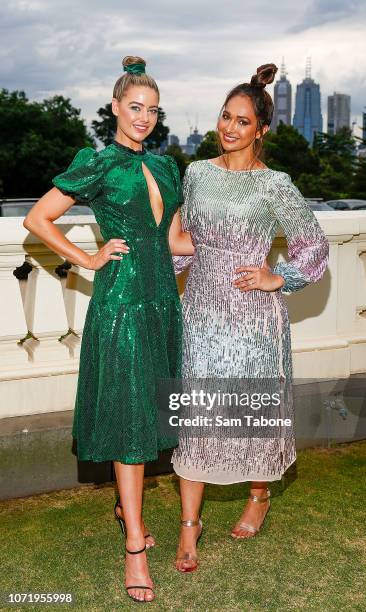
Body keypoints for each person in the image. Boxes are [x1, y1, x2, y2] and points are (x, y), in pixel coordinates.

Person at [23, 55, 194, 603]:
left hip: (162, 302)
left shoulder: (168, 169)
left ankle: (129, 509)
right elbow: (37, 218)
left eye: (153, 110)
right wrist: (89, 258)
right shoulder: (97, 164)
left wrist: (237, 241)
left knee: (152, 411)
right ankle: (136, 548)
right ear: (116, 108)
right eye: (135, 107)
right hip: (120, 304)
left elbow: (171, 241)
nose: (143, 118)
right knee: (128, 417)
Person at [171, 63, 329, 572]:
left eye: (242, 121)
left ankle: (258, 494)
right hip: (201, 312)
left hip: (253, 320)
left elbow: (315, 248)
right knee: (198, 416)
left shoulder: (275, 185)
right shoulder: (196, 173)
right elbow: (182, 243)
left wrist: (276, 278)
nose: (229, 127)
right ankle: (189, 527)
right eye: (225, 117)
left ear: (261, 130)